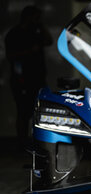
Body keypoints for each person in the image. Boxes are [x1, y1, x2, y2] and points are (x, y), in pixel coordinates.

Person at [5, 5, 52, 151]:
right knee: (23, 111)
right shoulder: (14, 33)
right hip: (22, 79)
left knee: (38, 111)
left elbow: (49, 41)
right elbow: (10, 56)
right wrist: (28, 51)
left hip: (38, 78)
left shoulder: (36, 31)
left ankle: (37, 142)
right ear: (28, 16)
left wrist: (41, 26)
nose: (38, 20)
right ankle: (22, 143)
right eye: (36, 17)